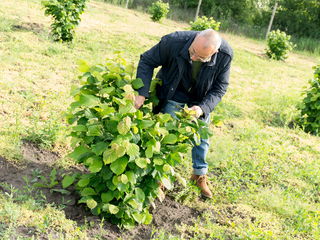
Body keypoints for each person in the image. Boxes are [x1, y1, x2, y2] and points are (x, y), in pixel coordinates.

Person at [134, 29, 233, 198]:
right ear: (194, 39)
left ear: (214, 52)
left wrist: (202, 108)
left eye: (201, 58)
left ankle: (199, 175)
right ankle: (160, 176)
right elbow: (147, 60)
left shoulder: (224, 55)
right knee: (166, 135)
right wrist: (141, 93)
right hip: (174, 91)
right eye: (192, 52)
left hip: (200, 98)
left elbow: (220, 87)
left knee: (201, 138)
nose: (193, 58)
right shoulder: (173, 41)